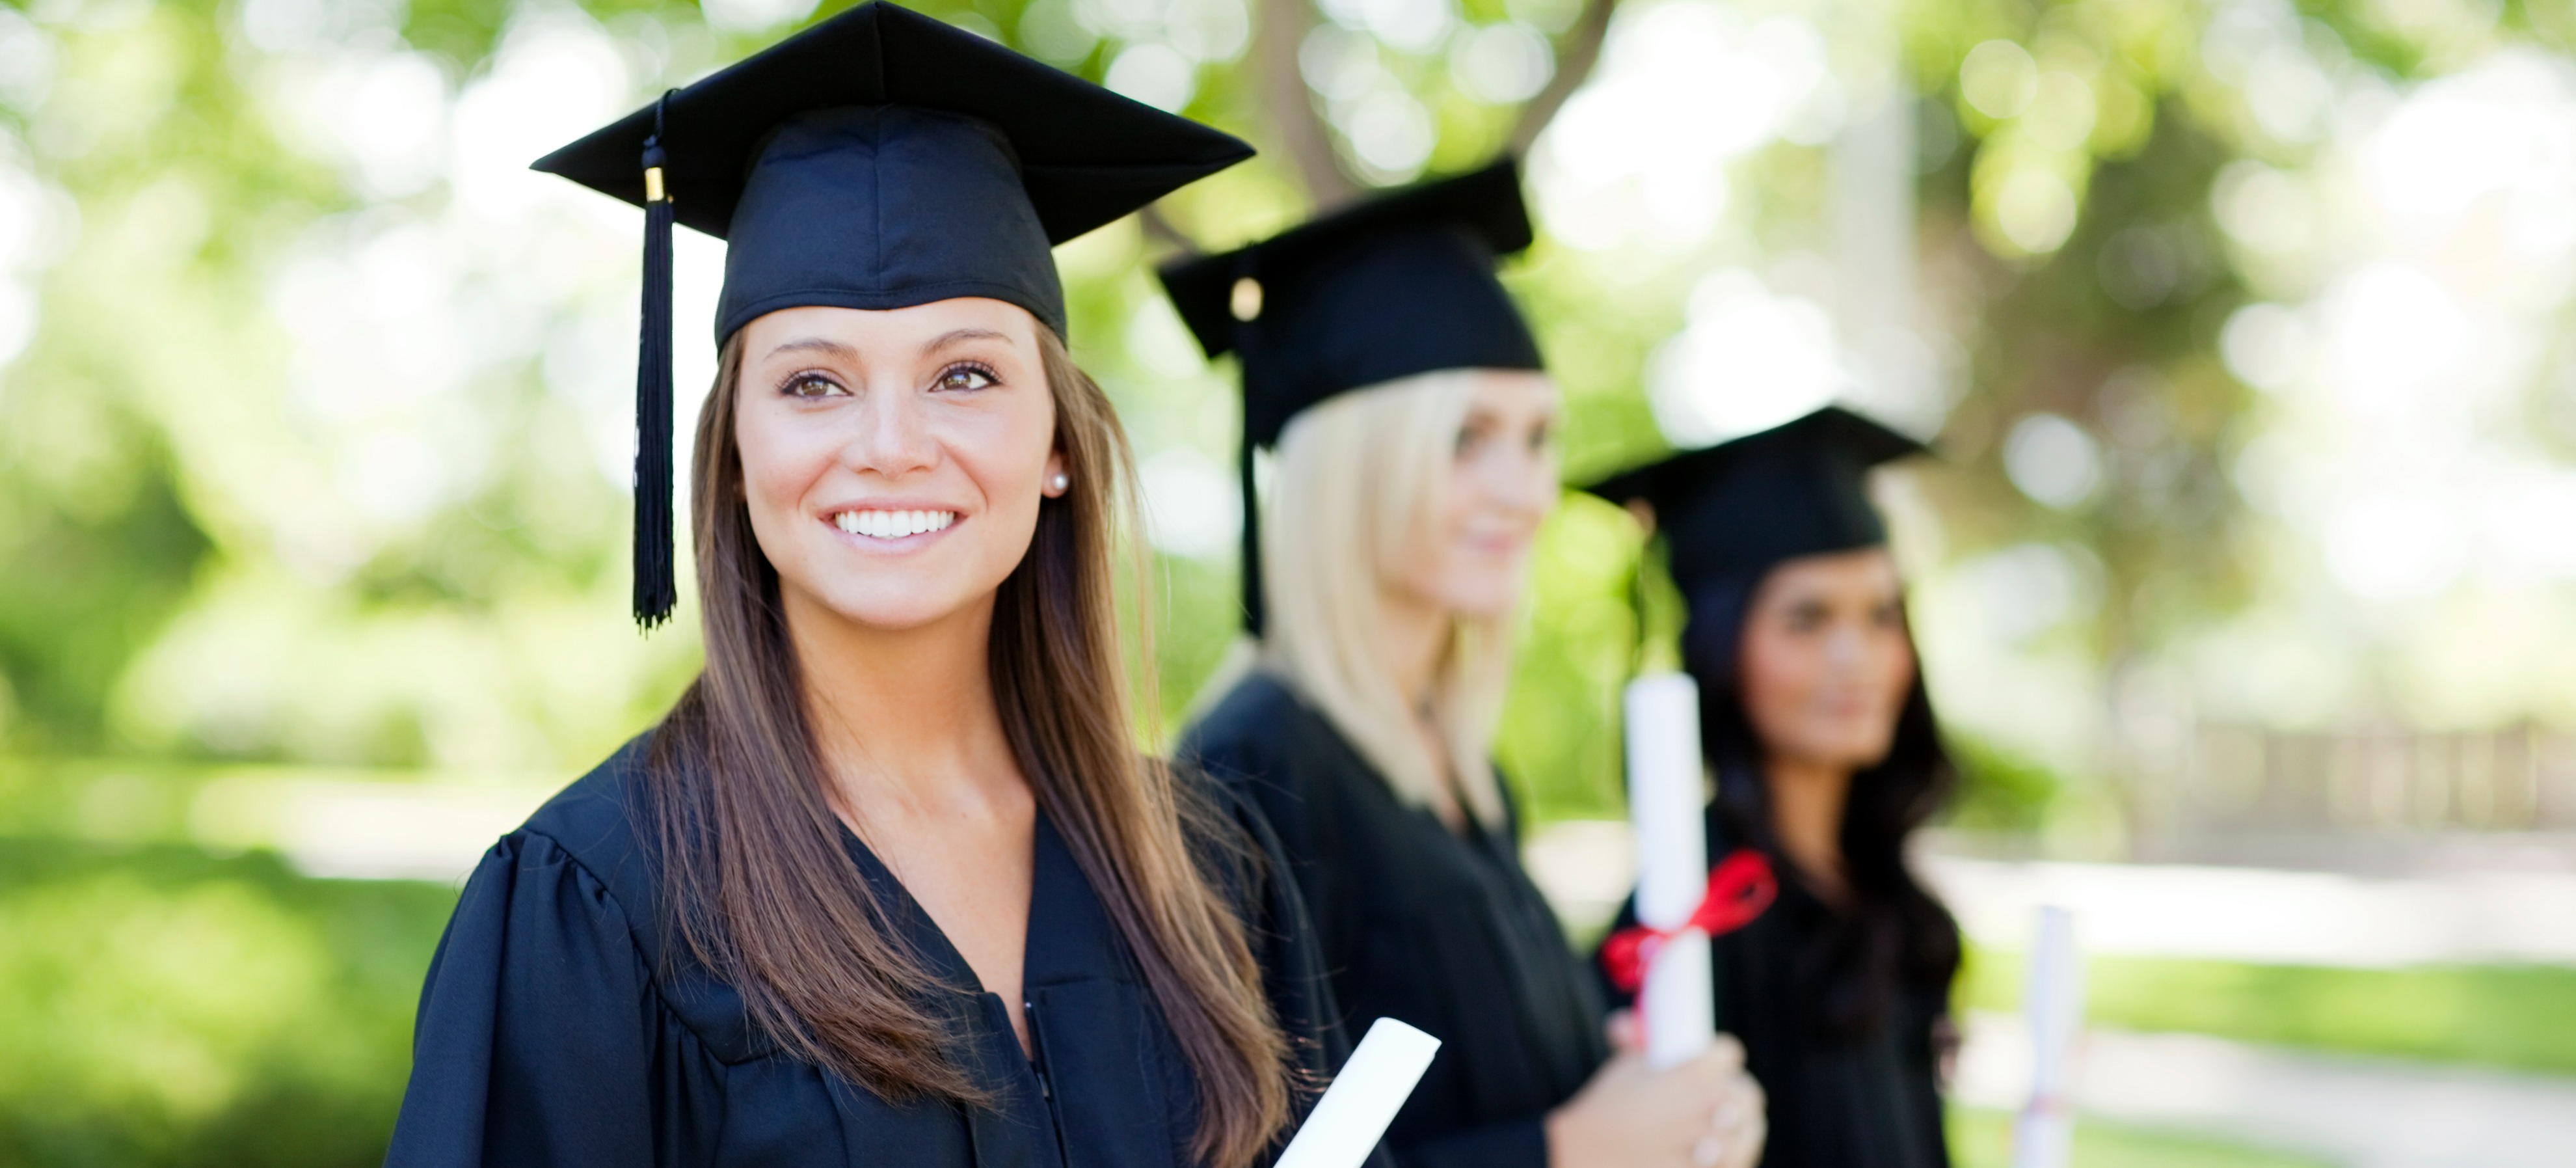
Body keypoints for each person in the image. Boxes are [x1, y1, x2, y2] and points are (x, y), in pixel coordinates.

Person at [384, 7, 1369, 1166]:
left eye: (963, 374)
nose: (891, 444)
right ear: (736, 452)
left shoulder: (1205, 867)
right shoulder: (597, 908)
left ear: (1056, 442)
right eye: (813, 384)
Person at [1161, 161, 1767, 1168]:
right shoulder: (1249, 772)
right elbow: (1266, 1154)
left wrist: (1658, 1096)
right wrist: (1572, 1146)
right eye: (1467, 438)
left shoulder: (1461, 768)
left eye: (1537, 439)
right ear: (1356, 463)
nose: (1524, 489)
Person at [1587, 406, 1964, 1168]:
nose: (1855, 656)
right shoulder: (1692, 919)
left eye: (1882, 615)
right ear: (1724, 649)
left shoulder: (1881, 893)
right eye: (1807, 619)